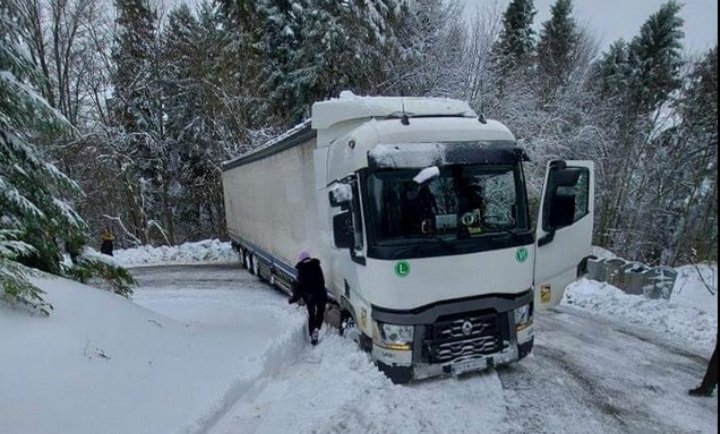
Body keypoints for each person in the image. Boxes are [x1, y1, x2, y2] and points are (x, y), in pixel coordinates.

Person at [288, 251, 327, 345]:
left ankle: (312, 333)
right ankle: (317, 328)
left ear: (301, 259)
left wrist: (294, 298)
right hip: (321, 293)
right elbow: (322, 280)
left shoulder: (302, 268)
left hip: (310, 296)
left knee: (312, 314)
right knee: (320, 312)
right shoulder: (317, 265)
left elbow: (300, 285)